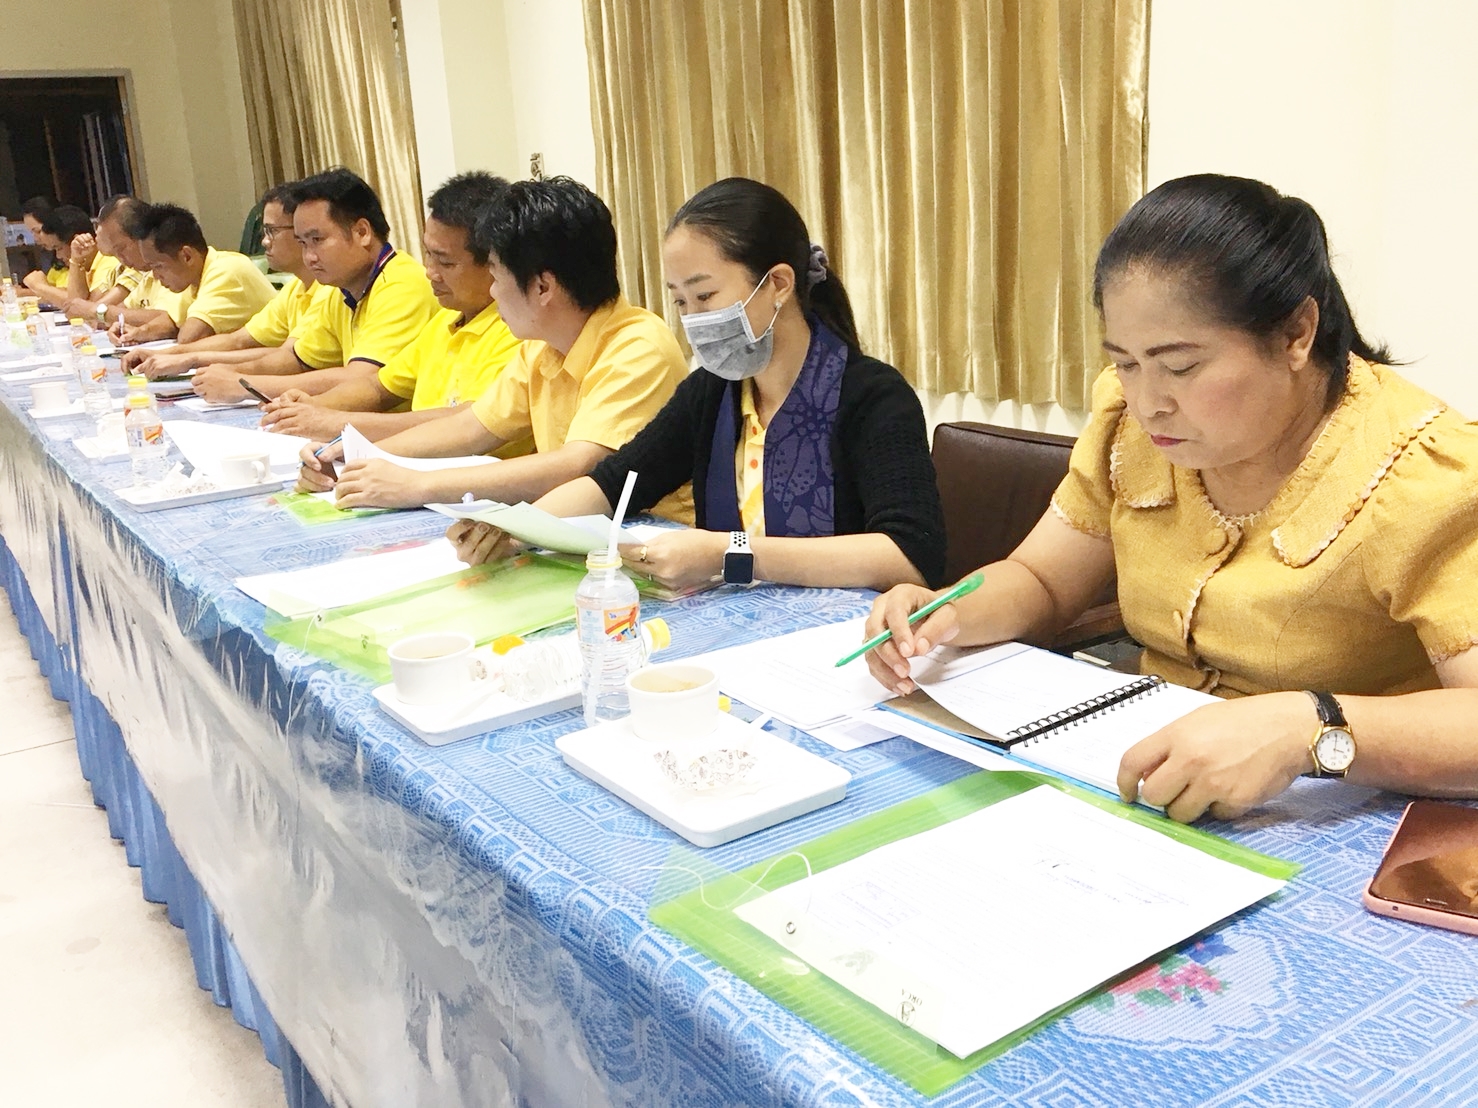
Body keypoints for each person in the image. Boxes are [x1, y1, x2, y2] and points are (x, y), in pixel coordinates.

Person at [864, 173, 1478, 823]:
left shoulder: (1421, 473)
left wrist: (1306, 728)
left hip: (1345, 809)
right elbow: (1041, 580)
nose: (1147, 399)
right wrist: (947, 613)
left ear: (1298, 333)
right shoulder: (1132, 428)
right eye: (1126, 362)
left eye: (1181, 367)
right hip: (1151, 782)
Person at [447, 177, 947, 592]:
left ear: (777, 284)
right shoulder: (714, 390)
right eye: (681, 301)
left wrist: (729, 554)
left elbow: (908, 556)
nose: (694, 319)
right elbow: (615, 481)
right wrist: (518, 530)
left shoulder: (872, 396)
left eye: (706, 295)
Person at [296, 176, 690, 520]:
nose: (493, 291)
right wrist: (357, 459)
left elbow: (579, 466)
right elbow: (470, 428)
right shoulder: (542, 347)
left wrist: (419, 484)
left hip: (653, 541)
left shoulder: (637, 346)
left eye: (497, 276)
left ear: (542, 287)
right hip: (578, 528)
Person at [258, 172, 520, 442]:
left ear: (495, 263)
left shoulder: (517, 331)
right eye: (428, 254)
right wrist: (315, 406)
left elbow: (470, 421)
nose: (430, 272)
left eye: (446, 263)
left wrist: (340, 424)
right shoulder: (447, 320)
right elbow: (378, 386)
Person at [191, 167, 438, 404]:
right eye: (303, 243)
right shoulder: (339, 290)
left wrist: (244, 384)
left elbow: (362, 378)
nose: (309, 256)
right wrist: (228, 371)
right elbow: (296, 359)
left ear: (362, 232)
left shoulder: (402, 284)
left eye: (317, 240)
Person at [120, 183, 334, 378]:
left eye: (273, 231)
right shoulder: (296, 288)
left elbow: (289, 358)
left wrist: (195, 361)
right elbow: (238, 340)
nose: (264, 241)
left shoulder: (329, 290)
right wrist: (166, 354)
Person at [121, 203, 276, 345]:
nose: (155, 276)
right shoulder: (193, 277)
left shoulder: (226, 270)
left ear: (186, 256)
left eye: (159, 266)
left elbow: (189, 338)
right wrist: (137, 333)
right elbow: (172, 321)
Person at [59, 195, 146, 322]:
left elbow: (88, 313)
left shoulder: (141, 269)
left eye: (121, 248)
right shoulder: (120, 268)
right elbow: (78, 308)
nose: (121, 258)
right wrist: (76, 260)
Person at [20, 205, 93, 307]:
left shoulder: (106, 263)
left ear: (78, 241)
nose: (58, 256)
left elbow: (77, 303)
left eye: (38, 231)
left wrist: (39, 286)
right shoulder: (74, 264)